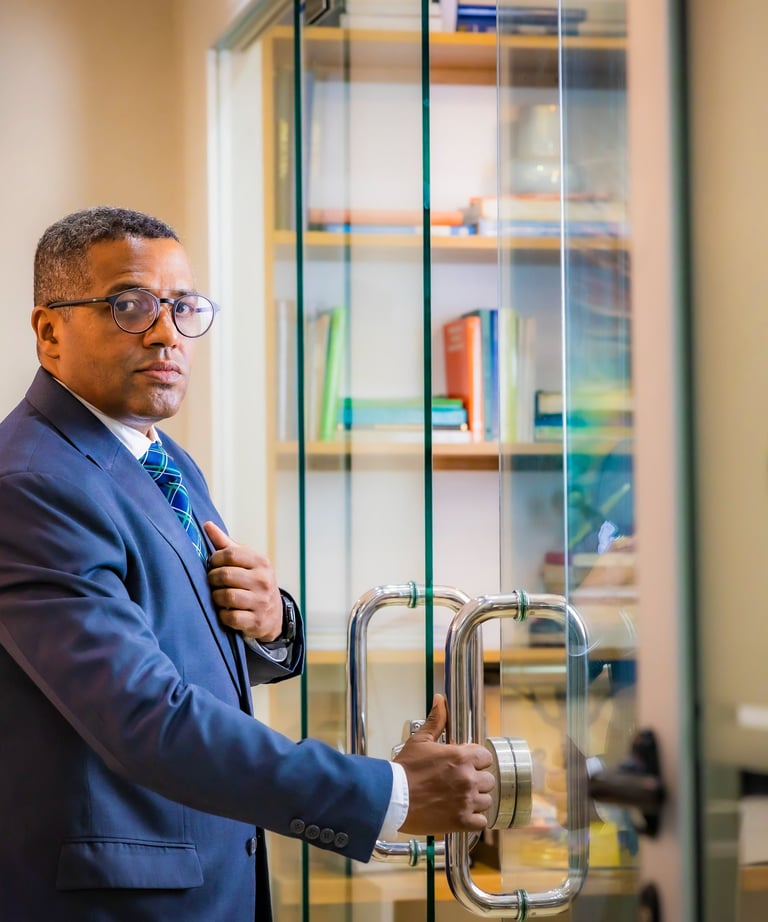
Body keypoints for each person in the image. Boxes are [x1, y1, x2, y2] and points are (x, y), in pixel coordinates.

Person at [0, 206, 495, 921]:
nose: (167, 332)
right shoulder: (31, 485)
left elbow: (185, 636)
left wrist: (272, 623)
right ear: (50, 331)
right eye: (131, 306)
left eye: (183, 307)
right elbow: (148, 718)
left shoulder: (161, 457)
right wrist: (389, 792)